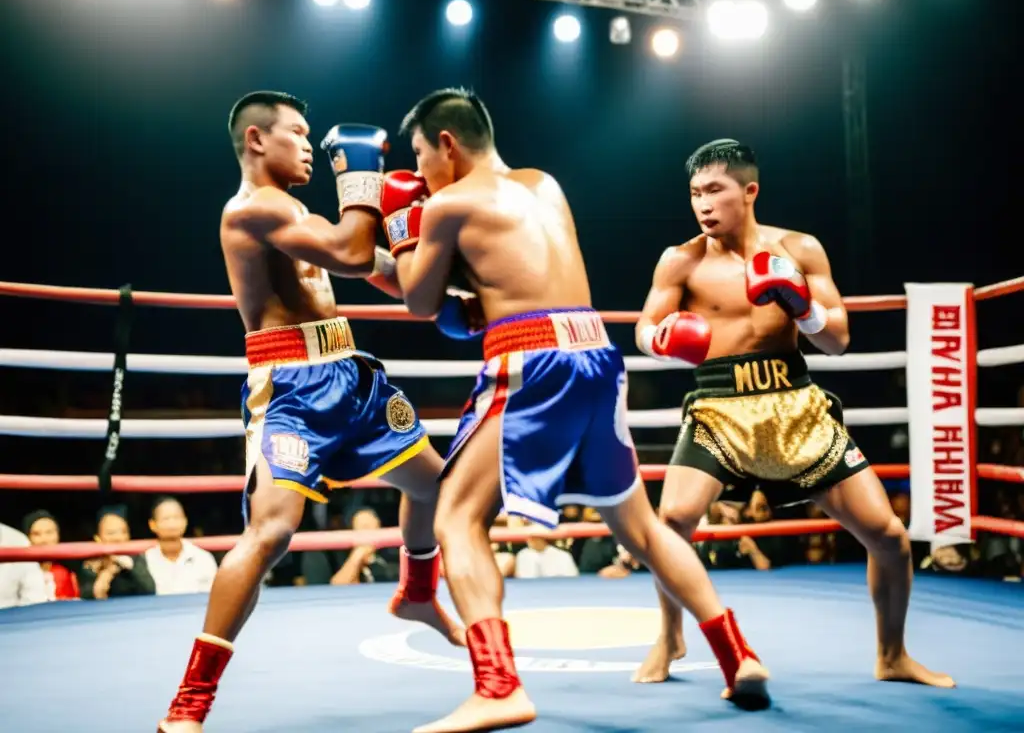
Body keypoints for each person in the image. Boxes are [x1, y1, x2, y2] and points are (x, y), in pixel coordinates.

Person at [383, 88, 770, 733]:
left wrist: (400, 226)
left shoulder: (447, 203)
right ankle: (738, 657)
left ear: (447, 144)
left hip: (532, 359)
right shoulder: (545, 184)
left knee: (455, 519)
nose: (420, 172)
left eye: (421, 154)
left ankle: (498, 686)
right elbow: (498, 277)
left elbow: (422, 304)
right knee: (641, 528)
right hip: (595, 353)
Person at [158, 91, 466, 732]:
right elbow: (352, 250)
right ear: (255, 141)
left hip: (349, 373)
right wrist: (362, 180)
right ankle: (188, 706)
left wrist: (420, 258)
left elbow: (373, 267)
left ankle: (416, 592)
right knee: (271, 533)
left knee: (438, 487)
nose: (308, 144)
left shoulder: (293, 211)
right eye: (296, 133)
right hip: (292, 388)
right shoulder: (251, 210)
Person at [631, 138, 955, 689]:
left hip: (794, 404)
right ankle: (670, 634)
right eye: (694, 193)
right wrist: (660, 338)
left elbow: (839, 341)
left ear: (749, 190)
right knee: (672, 524)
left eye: (715, 190)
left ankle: (892, 654)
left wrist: (801, 306)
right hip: (716, 407)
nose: (702, 204)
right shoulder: (679, 260)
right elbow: (643, 329)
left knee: (889, 536)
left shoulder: (800, 249)